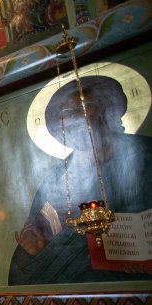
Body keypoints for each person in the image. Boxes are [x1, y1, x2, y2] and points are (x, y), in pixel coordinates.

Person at [9, 75, 152, 285]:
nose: (75, 118)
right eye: (66, 114)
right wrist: (33, 251)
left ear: (106, 109)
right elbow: (37, 238)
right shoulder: (55, 179)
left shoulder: (145, 154)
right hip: (72, 281)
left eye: (85, 107)